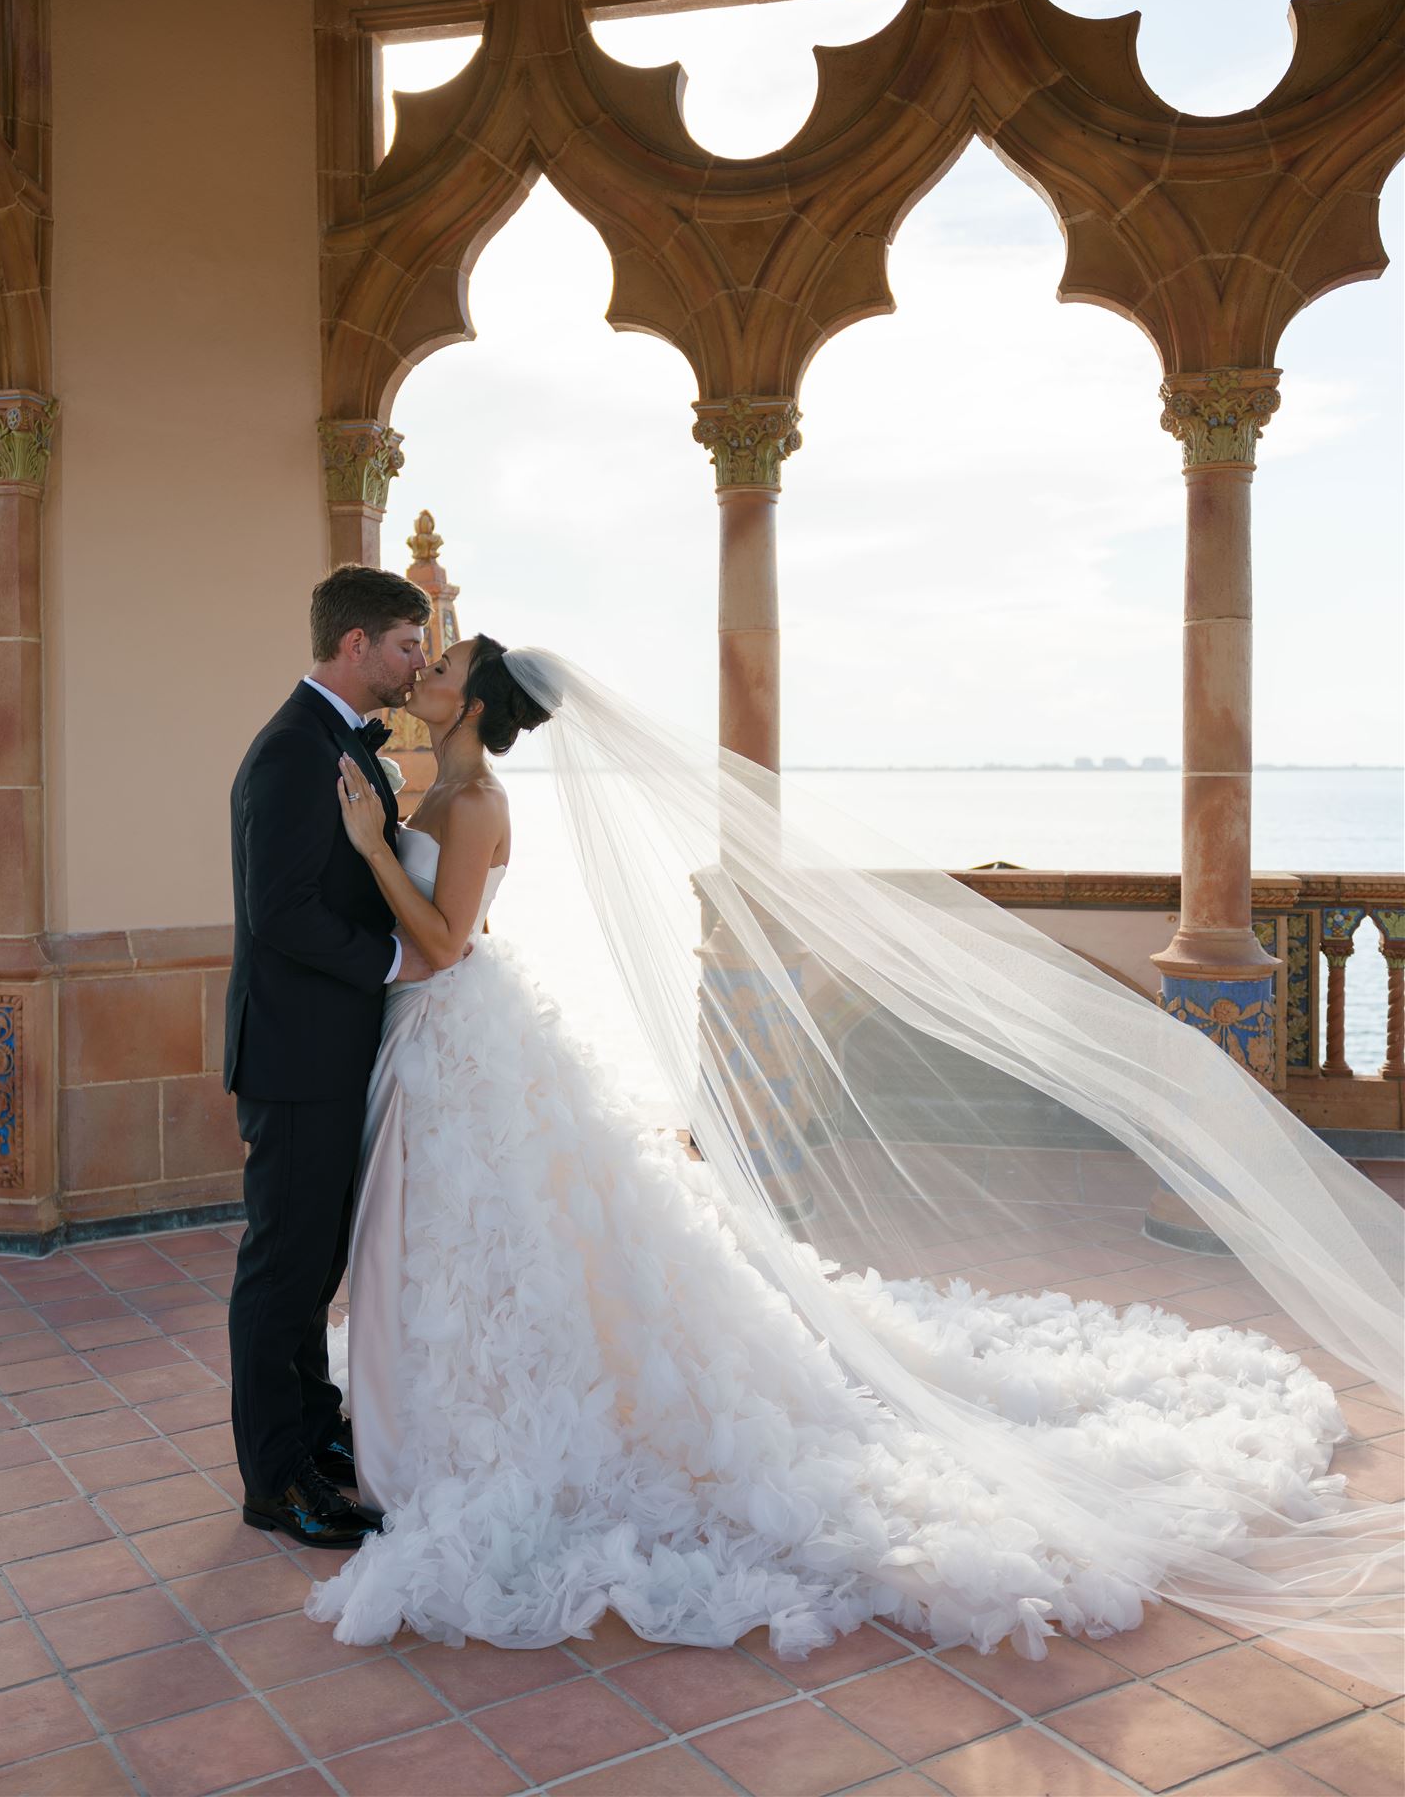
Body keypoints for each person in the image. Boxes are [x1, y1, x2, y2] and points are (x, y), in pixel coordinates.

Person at [306, 639, 1401, 1678]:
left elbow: (447, 942)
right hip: (445, 1041)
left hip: (455, 1025)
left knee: (487, 1236)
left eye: (441, 664)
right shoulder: (440, 792)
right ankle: (445, 1403)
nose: (426, 667)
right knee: (476, 1244)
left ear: (480, 703)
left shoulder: (480, 799)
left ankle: (467, 1420)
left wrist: (366, 848)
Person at [225, 565, 446, 1547]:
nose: (418, 662)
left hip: (331, 1045)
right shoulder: (289, 752)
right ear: (354, 644)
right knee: (282, 1268)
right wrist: (396, 958)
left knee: (312, 1263)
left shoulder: (336, 740)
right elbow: (281, 914)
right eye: (408, 644)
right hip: (296, 1051)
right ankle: (275, 1480)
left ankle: (317, 1442)